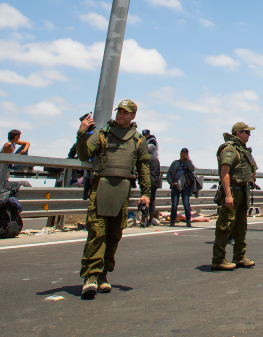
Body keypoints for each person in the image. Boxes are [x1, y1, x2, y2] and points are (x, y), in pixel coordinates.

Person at [75, 99, 151, 298]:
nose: (121, 115)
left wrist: (146, 193)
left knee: (114, 235)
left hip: (122, 192)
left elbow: (144, 168)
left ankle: (103, 275)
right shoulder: (102, 134)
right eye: (119, 111)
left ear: (133, 116)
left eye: (125, 112)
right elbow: (83, 154)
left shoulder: (137, 140)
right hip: (100, 189)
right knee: (96, 232)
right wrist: (82, 132)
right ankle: (90, 277)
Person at [212, 122, 258, 271]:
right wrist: (228, 196)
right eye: (246, 132)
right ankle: (218, 259)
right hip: (233, 190)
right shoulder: (230, 149)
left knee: (240, 227)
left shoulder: (243, 150)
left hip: (242, 191)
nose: (249, 135)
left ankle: (239, 256)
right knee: (225, 226)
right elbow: (224, 172)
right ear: (238, 133)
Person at [167, 148, 196, 226]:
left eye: (185, 153)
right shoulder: (175, 163)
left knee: (186, 203)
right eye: (182, 153)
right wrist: (170, 182)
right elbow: (169, 173)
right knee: (174, 204)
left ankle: (188, 220)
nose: (183, 154)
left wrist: (188, 161)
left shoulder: (188, 163)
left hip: (185, 186)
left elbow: (192, 169)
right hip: (175, 186)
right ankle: (172, 220)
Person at [141, 130, 161, 227]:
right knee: (152, 200)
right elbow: (158, 172)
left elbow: (143, 171)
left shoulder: (146, 159)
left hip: (147, 181)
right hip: (155, 181)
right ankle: (150, 221)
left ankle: (143, 220)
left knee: (145, 200)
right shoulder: (156, 160)